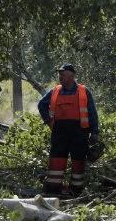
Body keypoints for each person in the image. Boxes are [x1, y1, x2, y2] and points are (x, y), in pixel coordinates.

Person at [38, 63, 99, 195]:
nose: (60, 77)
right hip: (59, 132)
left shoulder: (84, 91)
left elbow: (92, 113)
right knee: (56, 160)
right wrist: (48, 121)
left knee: (78, 161)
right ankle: (53, 190)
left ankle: (76, 191)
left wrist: (94, 133)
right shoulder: (55, 91)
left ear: (71, 76)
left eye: (62, 74)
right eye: (59, 74)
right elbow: (41, 105)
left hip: (80, 132)